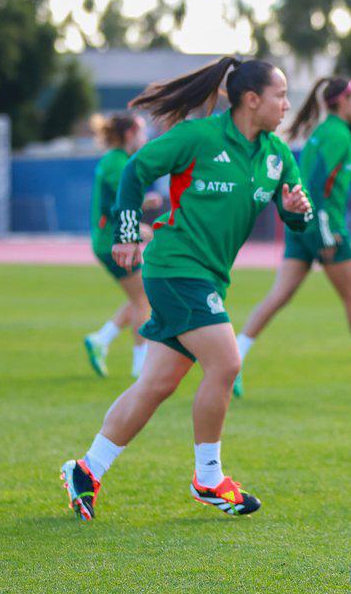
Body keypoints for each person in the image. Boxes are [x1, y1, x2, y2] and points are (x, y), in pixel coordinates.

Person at [60, 57, 312, 521]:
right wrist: (127, 231)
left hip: (209, 275)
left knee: (156, 384)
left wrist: (298, 209)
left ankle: (86, 469)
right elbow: (136, 170)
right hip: (175, 266)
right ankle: (209, 478)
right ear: (251, 100)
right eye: (280, 95)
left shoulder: (278, 154)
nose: (287, 104)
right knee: (227, 361)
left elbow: (298, 211)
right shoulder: (200, 137)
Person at [233, 76, 351, 395]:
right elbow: (317, 187)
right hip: (323, 226)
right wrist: (325, 236)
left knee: (279, 295)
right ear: (341, 102)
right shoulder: (338, 134)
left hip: (302, 225)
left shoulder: (323, 132)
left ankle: (233, 361)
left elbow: (326, 177)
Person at [83, 113, 162, 379]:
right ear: (129, 134)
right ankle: (140, 366)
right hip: (112, 241)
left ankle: (101, 339)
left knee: (139, 296)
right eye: (141, 132)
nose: (145, 137)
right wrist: (138, 227)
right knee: (144, 299)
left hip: (111, 238)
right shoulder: (117, 163)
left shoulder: (117, 160)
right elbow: (120, 205)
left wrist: (142, 208)